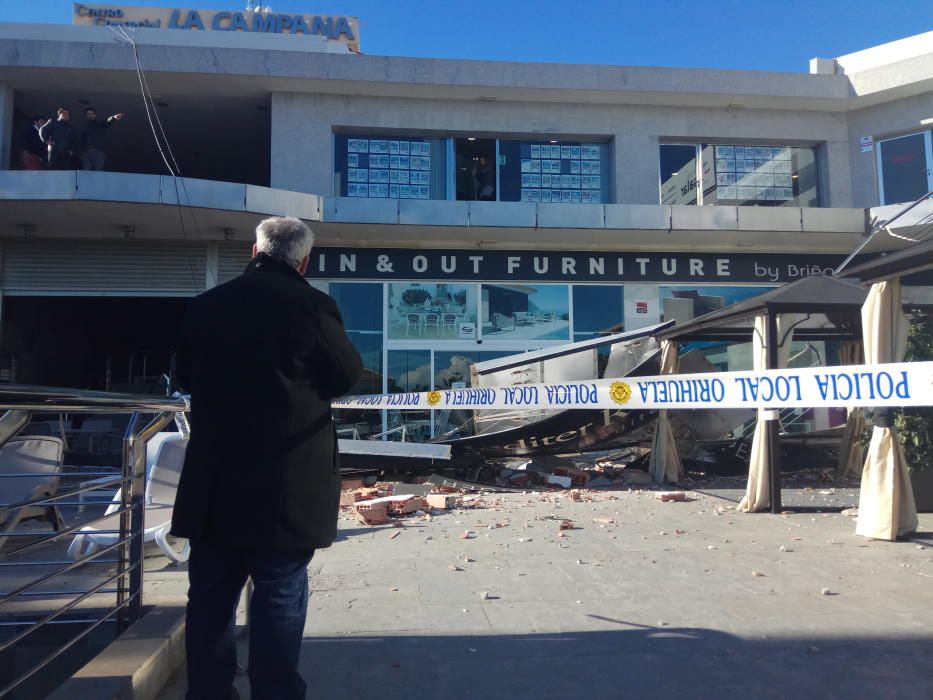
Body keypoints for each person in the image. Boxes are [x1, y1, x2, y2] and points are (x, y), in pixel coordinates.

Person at [172, 216, 362, 700]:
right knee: (279, 596)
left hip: (214, 482)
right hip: (286, 484)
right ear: (305, 261)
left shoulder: (205, 306)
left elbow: (186, 376)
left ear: (251, 252)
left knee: (211, 599)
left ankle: (210, 693)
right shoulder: (314, 306)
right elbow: (344, 377)